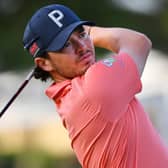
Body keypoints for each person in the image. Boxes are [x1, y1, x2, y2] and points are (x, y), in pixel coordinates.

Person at [22, 4, 168, 168]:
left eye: (82, 35)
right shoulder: (94, 86)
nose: (82, 47)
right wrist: (90, 31)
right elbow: (138, 42)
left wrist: (72, 31)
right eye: (66, 44)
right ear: (44, 63)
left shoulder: (70, 96)